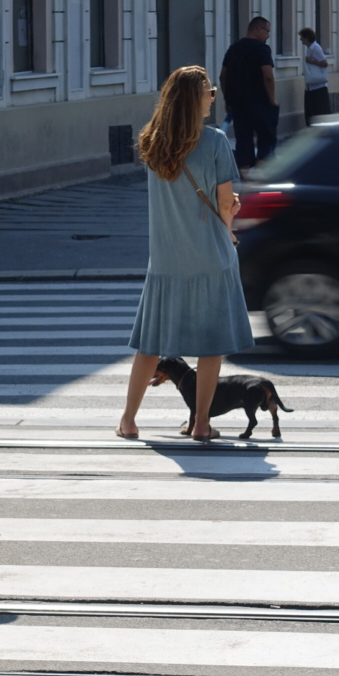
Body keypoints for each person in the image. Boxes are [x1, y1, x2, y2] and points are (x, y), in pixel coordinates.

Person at [118, 66, 253, 442]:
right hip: (211, 253)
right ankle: (202, 423)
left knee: (150, 345)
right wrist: (230, 211)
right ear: (196, 99)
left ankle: (128, 420)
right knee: (211, 345)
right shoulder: (214, 141)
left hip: (166, 258)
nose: (213, 97)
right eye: (209, 92)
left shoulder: (151, 141)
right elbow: (225, 202)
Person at [220, 16, 279, 171]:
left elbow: (223, 76)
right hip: (260, 101)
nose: (268, 35)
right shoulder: (261, 49)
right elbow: (268, 76)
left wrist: (228, 99)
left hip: (238, 103)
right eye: (267, 31)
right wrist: (272, 100)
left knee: (243, 140)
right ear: (258, 29)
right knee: (267, 138)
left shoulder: (233, 48)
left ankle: (245, 175)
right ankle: (259, 176)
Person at [299, 27, 332, 121]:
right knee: (311, 113)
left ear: (307, 37)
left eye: (302, 37)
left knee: (319, 111)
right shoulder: (310, 48)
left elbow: (324, 63)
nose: (301, 40)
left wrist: (311, 61)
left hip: (318, 86)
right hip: (311, 86)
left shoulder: (315, 48)